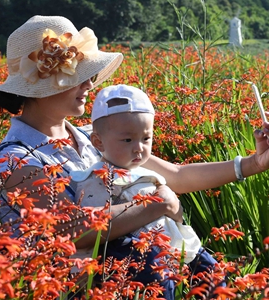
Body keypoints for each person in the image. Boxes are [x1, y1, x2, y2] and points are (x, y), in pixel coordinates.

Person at [0, 15, 269, 297]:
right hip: (82, 286)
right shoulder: (16, 158)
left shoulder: (91, 136)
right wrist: (154, 206)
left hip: (135, 273)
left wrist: (252, 163)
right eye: (78, 77)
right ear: (41, 86)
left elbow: (176, 175)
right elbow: (68, 230)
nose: (89, 85)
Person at [69, 84, 208, 297]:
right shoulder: (96, 179)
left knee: (212, 275)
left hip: (172, 248)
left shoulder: (140, 168)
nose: (139, 148)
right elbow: (91, 229)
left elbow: (179, 176)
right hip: (138, 256)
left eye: (146, 139)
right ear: (98, 142)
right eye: (127, 140)